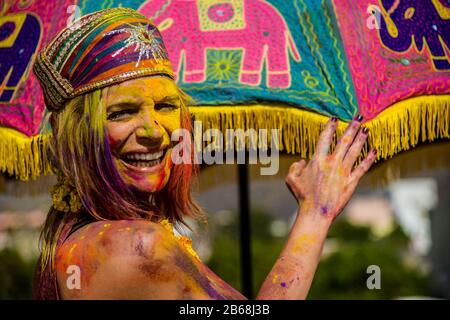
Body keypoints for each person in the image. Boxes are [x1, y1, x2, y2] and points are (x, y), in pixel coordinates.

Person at [32, 8, 377, 300]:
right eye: (121, 112)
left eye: (166, 106)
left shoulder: (85, 237)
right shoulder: (133, 248)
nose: (154, 132)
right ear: (76, 136)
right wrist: (316, 213)